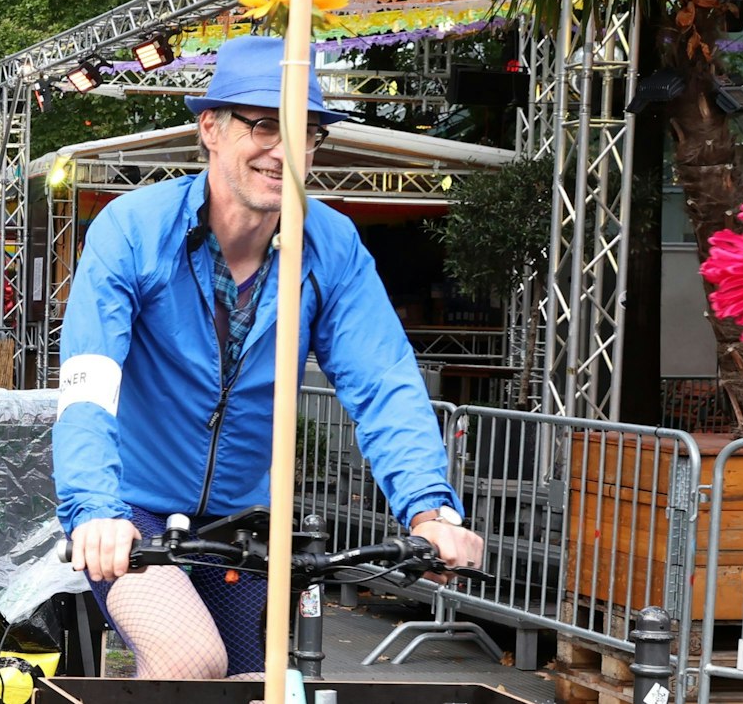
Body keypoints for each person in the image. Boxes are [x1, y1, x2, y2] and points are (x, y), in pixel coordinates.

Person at [53, 35, 486, 680]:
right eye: (263, 125)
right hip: (132, 508)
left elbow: (384, 381)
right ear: (210, 128)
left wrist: (430, 508)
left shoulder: (329, 246)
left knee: (263, 686)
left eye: (304, 131)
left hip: (246, 523)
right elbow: (89, 381)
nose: (282, 149)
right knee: (187, 661)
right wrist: (94, 508)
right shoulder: (134, 229)